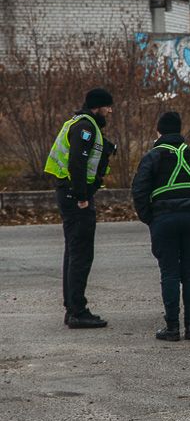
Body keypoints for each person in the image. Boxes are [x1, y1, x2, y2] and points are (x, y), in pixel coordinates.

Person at [131, 112, 190, 341]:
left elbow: (139, 190)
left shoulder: (152, 157)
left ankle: (172, 327)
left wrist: (149, 218)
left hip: (164, 219)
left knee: (169, 273)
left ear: (159, 132)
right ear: (179, 132)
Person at [44, 87, 116, 329]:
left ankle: (72, 308)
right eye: (107, 106)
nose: (110, 110)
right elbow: (77, 162)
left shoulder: (84, 125)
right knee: (81, 254)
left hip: (70, 193)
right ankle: (77, 310)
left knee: (74, 252)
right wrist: (82, 196)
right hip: (75, 196)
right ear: (97, 106)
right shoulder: (84, 127)